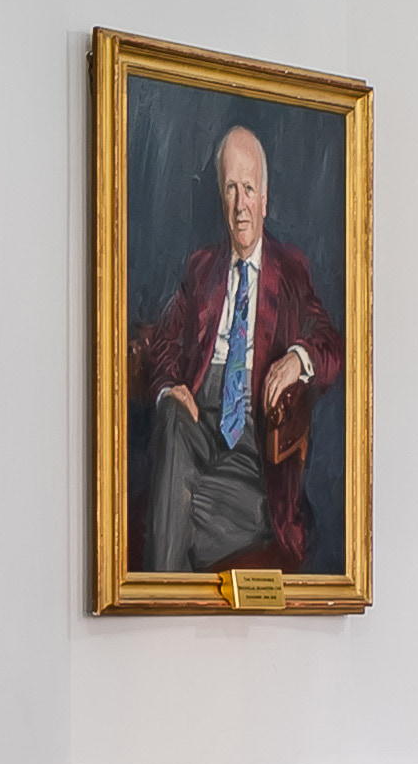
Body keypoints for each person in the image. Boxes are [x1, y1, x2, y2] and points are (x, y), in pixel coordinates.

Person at [126, 121, 338, 577]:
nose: (240, 205)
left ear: (265, 199)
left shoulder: (291, 270)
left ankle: (160, 593)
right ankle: (169, 580)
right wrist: (168, 388)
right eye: (230, 189)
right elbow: (164, 342)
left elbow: (331, 344)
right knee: (172, 419)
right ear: (221, 197)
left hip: (252, 459)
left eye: (248, 189)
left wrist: (298, 358)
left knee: (172, 507)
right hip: (196, 434)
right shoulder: (202, 268)